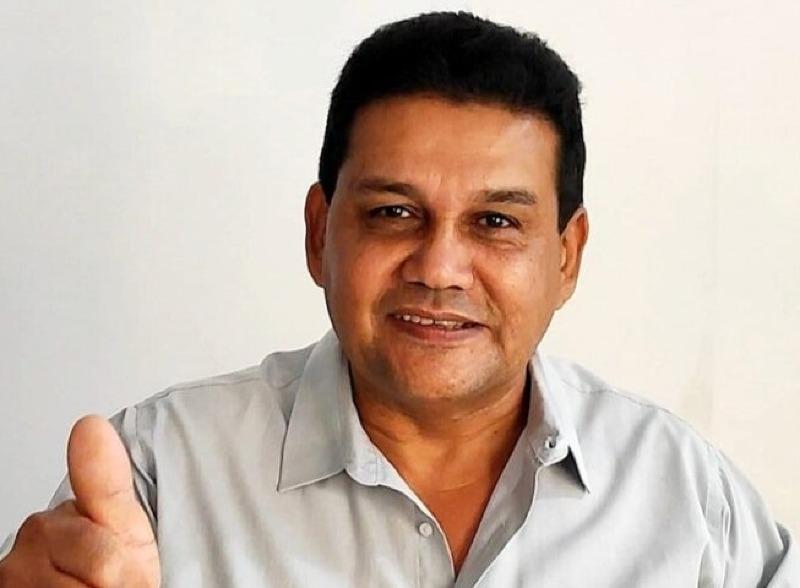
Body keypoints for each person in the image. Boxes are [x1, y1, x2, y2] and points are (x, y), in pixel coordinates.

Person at [0, 11, 796, 587]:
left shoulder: (688, 503)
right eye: (393, 213)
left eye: (495, 222)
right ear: (320, 233)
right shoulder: (160, 478)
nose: (439, 268)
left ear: (566, 255)